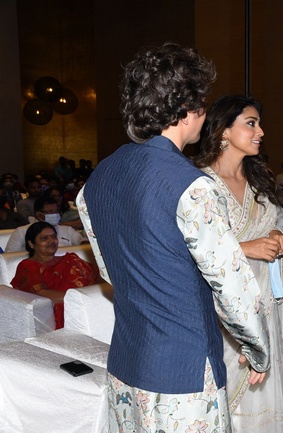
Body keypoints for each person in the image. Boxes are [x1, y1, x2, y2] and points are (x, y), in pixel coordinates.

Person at [76, 42, 270, 433]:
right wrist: (257, 348)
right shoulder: (192, 185)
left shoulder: (96, 180)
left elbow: (110, 272)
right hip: (184, 368)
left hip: (127, 360)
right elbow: (231, 285)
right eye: (202, 104)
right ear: (186, 107)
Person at [194, 94, 283, 432]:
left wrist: (277, 234)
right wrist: (246, 248)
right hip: (228, 311)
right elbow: (192, 247)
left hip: (270, 307)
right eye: (251, 123)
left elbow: (277, 220)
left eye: (259, 124)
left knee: (275, 392)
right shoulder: (201, 184)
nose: (260, 131)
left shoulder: (257, 180)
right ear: (224, 131)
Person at [10, 221, 98, 329]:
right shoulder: (27, 266)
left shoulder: (70, 260)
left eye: (53, 236)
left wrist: (96, 296)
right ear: (31, 244)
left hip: (88, 304)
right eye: (44, 238)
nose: (51, 241)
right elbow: (41, 294)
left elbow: (98, 277)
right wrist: (80, 298)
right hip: (61, 311)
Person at [5, 196, 85, 252]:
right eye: (50, 212)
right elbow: (9, 257)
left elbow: (82, 243)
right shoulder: (22, 231)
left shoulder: (67, 229)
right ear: (39, 215)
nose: (55, 214)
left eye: (56, 211)